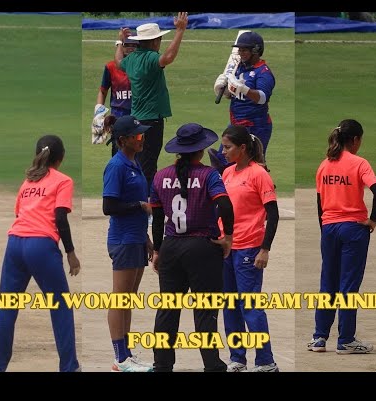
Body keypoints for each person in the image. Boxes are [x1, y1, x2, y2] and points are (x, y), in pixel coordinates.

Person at [0, 135, 81, 372]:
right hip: (40, 246)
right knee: (60, 306)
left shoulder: (27, 182)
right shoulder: (63, 181)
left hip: (14, 245)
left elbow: (20, 214)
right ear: (60, 158)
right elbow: (60, 217)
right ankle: (69, 367)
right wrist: (70, 252)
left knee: (6, 307)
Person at [149, 123, 234, 372]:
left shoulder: (160, 176)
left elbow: (156, 218)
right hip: (202, 248)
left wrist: (157, 250)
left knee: (167, 309)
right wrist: (228, 237)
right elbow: (225, 206)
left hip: (171, 246)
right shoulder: (209, 175)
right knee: (205, 310)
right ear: (201, 149)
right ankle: (212, 364)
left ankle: (162, 364)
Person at [307, 119, 376, 355]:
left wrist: (324, 229)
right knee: (348, 285)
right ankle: (346, 339)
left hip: (329, 228)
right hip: (353, 229)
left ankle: (319, 338)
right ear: (356, 140)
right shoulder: (359, 163)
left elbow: (320, 203)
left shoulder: (324, 165)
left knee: (327, 283)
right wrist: (372, 220)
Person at [219, 125, 280, 372]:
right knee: (230, 305)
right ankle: (237, 358)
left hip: (249, 249)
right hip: (227, 248)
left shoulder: (259, 174)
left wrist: (265, 249)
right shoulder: (226, 173)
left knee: (250, 306)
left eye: (227, 147)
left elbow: (273, 214)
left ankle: (266, 361)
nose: (223, 152)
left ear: (242, 148)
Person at [114, 12, 189, 194]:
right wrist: (180, 30)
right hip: (151, 123)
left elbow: (118, 62)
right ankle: (146, 202)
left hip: (136, 121)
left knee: (138, 160)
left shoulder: (131, 59)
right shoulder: (150, 58)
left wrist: (119, 43)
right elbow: (169, 57)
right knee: (149, 164)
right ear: (155, 42)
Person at [103, 115, 155, 372]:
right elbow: (108, 206)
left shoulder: (135, 163)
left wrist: (145, 237)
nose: (141, 138)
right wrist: (138, 206)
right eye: (136, 136)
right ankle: (119, 357)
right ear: (123, 140)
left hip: (135, 238)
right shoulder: (117, 166)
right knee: (119, 299)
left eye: (142, 134)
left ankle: (127, 354)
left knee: (128, 299)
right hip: (122, 240)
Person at [211, 31, 276, 172]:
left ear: (256, 50)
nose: (240, 53)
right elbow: (234, 94)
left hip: (256, 126)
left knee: (252, 166)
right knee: (223, 163)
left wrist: (244, 89)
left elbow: (262, 98)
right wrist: (225, 91)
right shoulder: (239, 67)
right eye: (239, 49)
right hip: (235, 124)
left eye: (244, 50)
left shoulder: (263, 73)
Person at [92, 36, 139, 155]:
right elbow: (103, 91)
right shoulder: (111, 67)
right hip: (118, 118)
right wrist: (98, 115)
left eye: (134, 45)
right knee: (119, 152)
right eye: (127, 45)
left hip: (138, 117)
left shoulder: (141, 66)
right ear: (121, 47)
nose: (131, 48)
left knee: (138, 152)